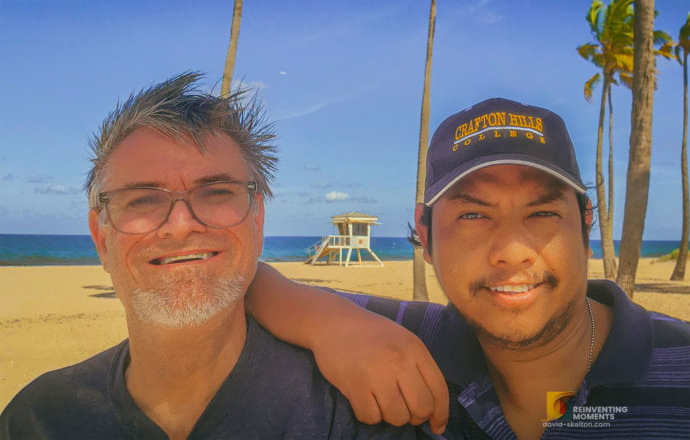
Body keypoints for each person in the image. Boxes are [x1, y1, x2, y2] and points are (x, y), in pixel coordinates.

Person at [0, 72, 445, 439]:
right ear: (100, 238)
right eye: (142, 199)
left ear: (258, 220)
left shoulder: (356, 413)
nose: (181, 224)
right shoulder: (40, 420)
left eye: (215, 192)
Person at [247, 98, 690, 439]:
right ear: (425, 234)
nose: (513, 252)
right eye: (474, 216)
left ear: (585, 224)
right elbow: (239, 284)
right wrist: (325, 322)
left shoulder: (681, 366)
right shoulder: (399, 338)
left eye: (543, 213)